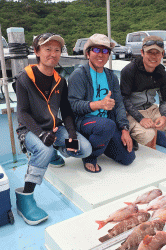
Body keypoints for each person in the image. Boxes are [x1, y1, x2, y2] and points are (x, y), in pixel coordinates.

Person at [14, 33, 92, 225]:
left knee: (84, 148)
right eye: (48, 49)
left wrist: (72, 135)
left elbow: (66, 111)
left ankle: (55, 153)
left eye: (57, 50)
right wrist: (41, 134)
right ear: (37, 52)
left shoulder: (60, 80)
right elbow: (22, 113)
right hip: (30, 130)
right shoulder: (24, 78)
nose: (53, 53)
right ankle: (26, 197)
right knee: (43, 149)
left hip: (53, 129)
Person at [67, 33, 136, 173]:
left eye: (105, 51)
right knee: (107, 125)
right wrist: (98, 104)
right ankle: (90, 156)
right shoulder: (79, 75)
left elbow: (119, 104)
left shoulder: (111, 76)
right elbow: (73, 106)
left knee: (128, 158)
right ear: (87, 54)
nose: (101, 54)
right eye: (96, 50)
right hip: (84, 123)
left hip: (105, 125)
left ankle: (101, 143)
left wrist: (124, 129)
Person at [120, 35, 166, 156]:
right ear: (142, 53)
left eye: (157, 53)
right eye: (150, 52)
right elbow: (124, 99)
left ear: (162, 54)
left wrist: (164, 116)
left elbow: (164, 99)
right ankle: (150, 161)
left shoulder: (162, 73)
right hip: (132, 112)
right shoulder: (129, 70)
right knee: (148, 134)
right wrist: (141, 119)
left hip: (151, 108)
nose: (154, 57)